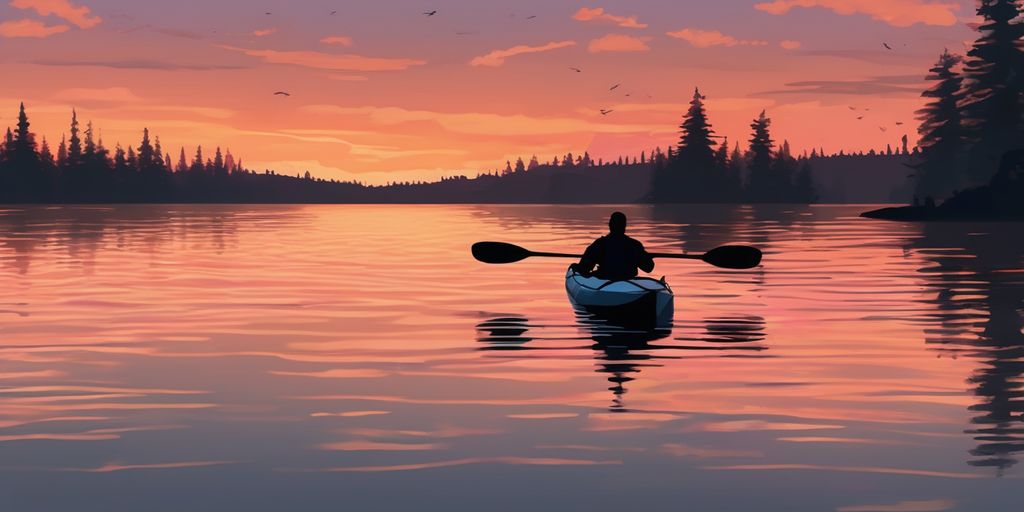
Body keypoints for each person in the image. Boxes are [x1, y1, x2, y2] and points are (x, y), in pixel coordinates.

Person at [573, 212, 655, 281]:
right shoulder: (634, 245)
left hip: (605, 281)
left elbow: (584, 269)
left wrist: (574, 267)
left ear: (610, 225)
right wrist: (646, 257)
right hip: (628, 281)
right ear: (624, 226)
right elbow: (648, 268)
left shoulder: (600, 244)